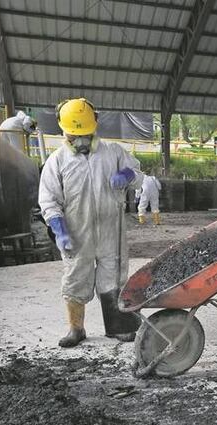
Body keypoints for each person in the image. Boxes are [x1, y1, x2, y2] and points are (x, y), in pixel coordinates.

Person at [38, 98, 143, 347]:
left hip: (110, 232)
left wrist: (127, 174)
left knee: (113, 278)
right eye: (75, 136)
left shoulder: (114, 153)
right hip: (77, 234)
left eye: (86, 135)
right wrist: (59, 229)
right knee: (76, 278)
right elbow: (49, 200)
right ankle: (76, 329)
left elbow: (139, 175)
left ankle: (117, 327)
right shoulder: (57, 162)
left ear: (94, 128)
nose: (82, 142)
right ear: (64, 132)